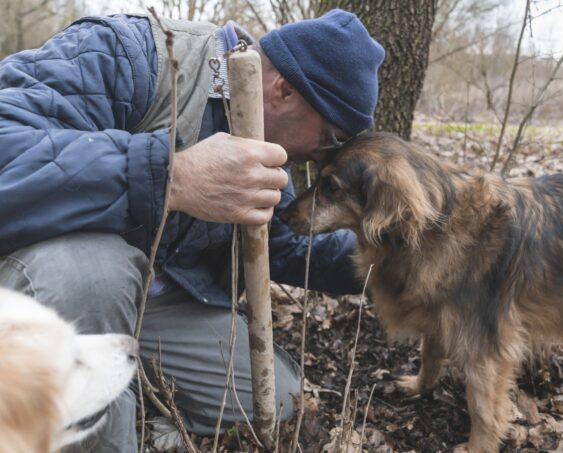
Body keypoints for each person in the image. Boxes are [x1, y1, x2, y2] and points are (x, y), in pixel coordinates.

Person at [0, 9, 384, 452]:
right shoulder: (130, 53)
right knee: (96, 273)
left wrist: (397, 256)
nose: (323, 158)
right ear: (284, 90)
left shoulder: (264, 137)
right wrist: (170, 177)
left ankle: (123, 389)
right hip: (48, 285)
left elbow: (283, 244)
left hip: (152, 305)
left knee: (277, 399)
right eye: (332, 139)